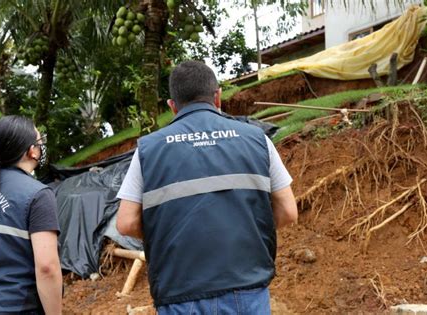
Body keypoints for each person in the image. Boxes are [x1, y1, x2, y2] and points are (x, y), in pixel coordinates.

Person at [116, 60, 298, 314]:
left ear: (172, 106)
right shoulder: (258, 140)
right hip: (246, 287)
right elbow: (288, 211)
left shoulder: (148, 149)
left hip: (179, 291)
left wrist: (171, 235)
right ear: (218, 97)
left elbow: (125, 223)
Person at [0, 116, 62, 314]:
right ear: (31, 151)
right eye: (39, 142)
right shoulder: (38, 195)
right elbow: (47, 268)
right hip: (15, 307)